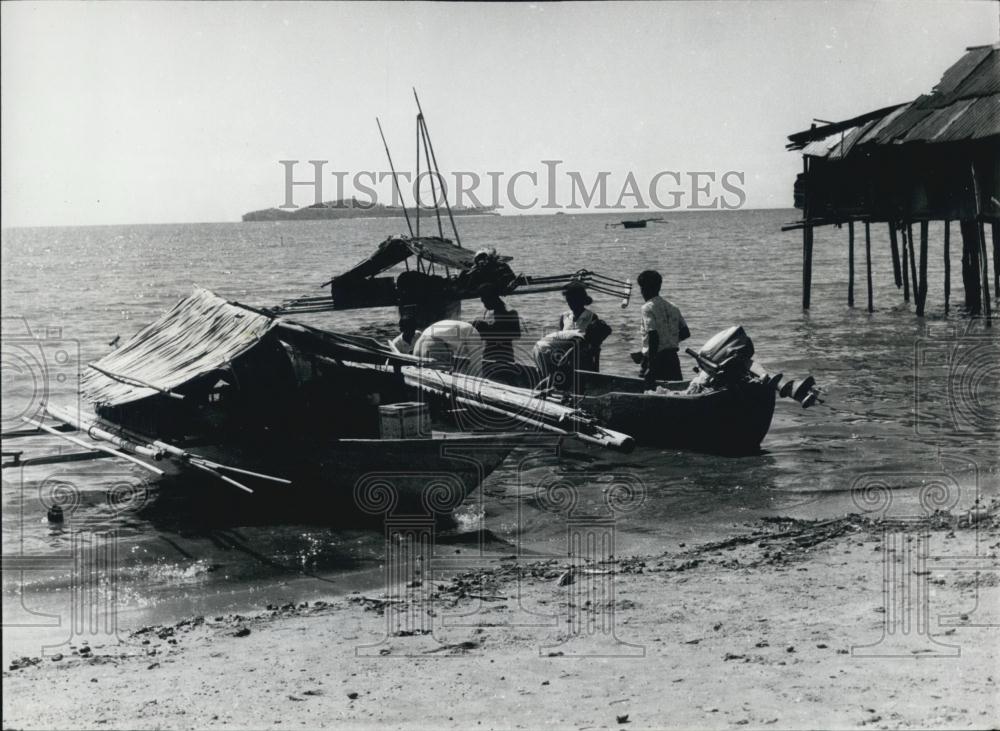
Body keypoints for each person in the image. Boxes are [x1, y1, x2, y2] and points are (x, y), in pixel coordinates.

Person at [632, 269, 689, 383]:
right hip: (673, 360)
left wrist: (651, 367)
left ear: (644, 289)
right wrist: (668, 342)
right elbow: (685, 332)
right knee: (674, 392)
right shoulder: (672, 307)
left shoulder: (647, 308)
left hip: (655, 361)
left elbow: (653, 336)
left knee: (647, 393)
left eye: (641, 289)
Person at [472, 282, 521, 368]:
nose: (483, 303)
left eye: (484, 300)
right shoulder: (488, 311)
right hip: (488, 354)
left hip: (504, 355)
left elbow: (516, 334)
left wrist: (487, 329)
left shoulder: (510, 312)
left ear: (493, 298)